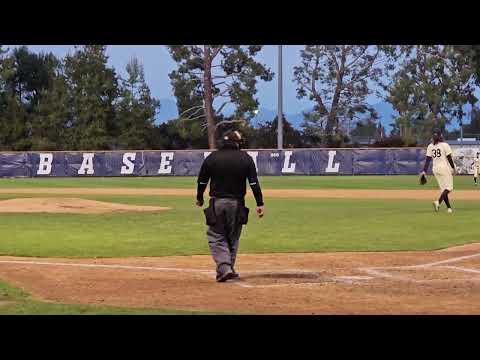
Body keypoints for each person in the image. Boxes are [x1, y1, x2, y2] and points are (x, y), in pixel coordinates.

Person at [196, 130, 265, 282]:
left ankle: (225, 268)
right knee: (233, 236)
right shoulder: (245, 158)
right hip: (237, 203)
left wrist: (199, 197)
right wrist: (259, 203)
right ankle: (228, 269)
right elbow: (253, 182)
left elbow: (202, 181)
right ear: (237, 142)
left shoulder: (212, 158)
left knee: (216, 235)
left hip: (217, 202)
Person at [420, 128, 456, 213]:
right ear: (441, 136)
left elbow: (428, 160)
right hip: (444, 168)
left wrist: (424, 171)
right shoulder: (444, 145)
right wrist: (453, 168)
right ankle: (438, 202)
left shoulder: (430, 146)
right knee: (449, 188)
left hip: (435, 169)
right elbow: (449, 158)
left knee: (444, 189)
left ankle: (449, 208)